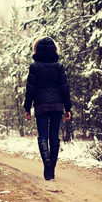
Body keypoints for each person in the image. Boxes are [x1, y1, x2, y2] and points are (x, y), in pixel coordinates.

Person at [24, 37, 72, 181]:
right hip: (57, 105)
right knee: (54, 136)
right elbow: (64, 88)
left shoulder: (35, 66)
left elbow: (30, 89)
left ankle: (46, 162)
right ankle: (52, 169)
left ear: (36, 49)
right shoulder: (59, 66)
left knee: (43, 136)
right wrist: (68, 107)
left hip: (41, 105)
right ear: (54, 49)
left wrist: (27, 107)